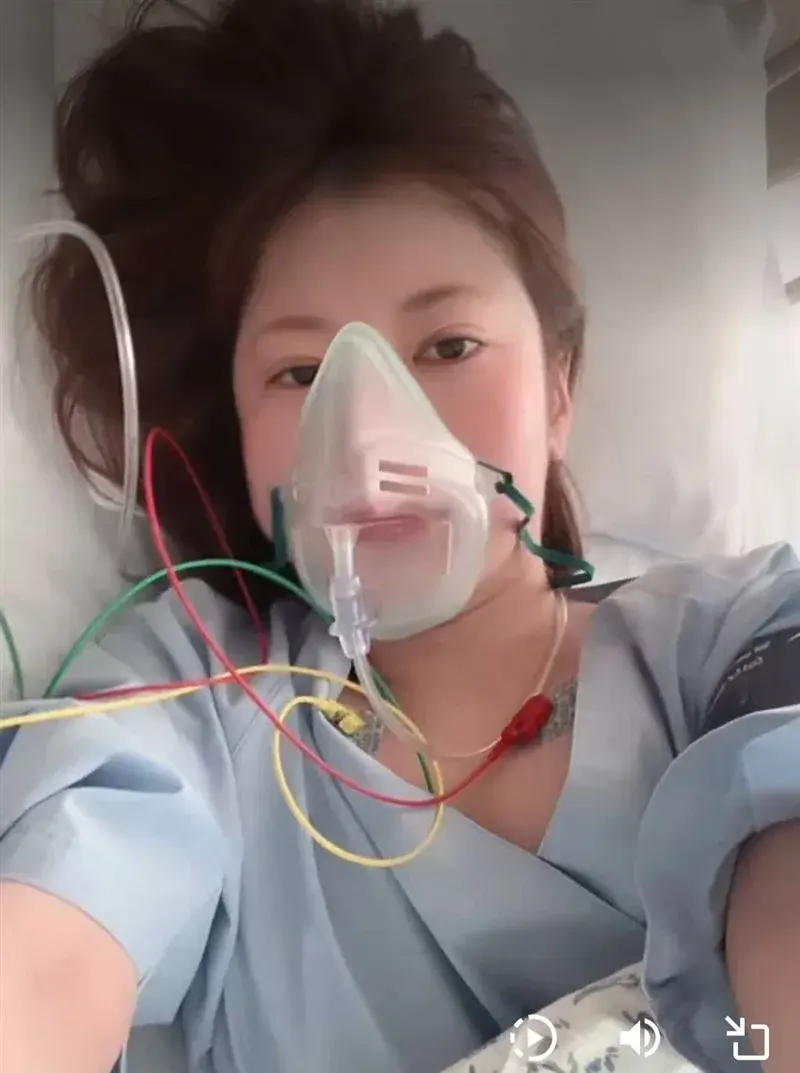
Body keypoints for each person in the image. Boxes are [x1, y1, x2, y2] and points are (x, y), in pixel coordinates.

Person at [0, 2, 798, 1072]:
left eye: (448, 345)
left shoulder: (740, 634)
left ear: (559, 387)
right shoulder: (193, 698)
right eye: (299, 372)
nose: (371, 431)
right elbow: (47, 954)